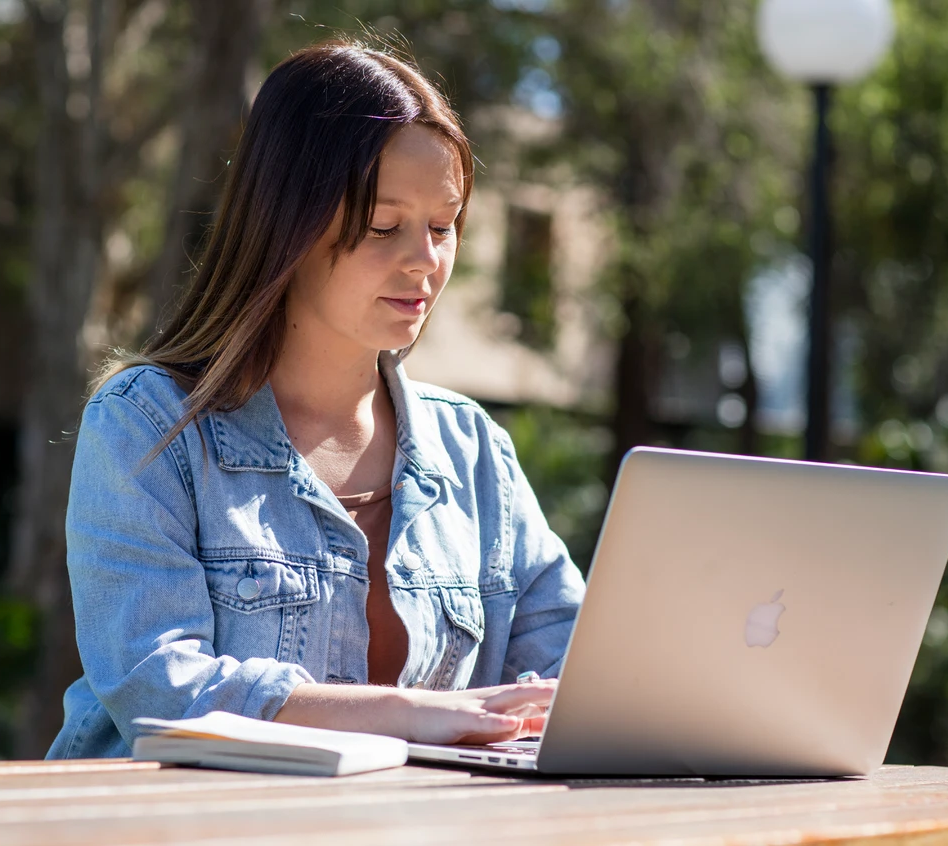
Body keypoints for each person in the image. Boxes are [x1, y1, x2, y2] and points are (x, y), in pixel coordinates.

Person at [46, 39, 586, 760]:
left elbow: (573, 676)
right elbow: (160, 686)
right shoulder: (148, 426)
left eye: (443, 225)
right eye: (383, 226)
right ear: (288, 222)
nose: (425, 261)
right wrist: (408, 712)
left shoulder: (474, 450)